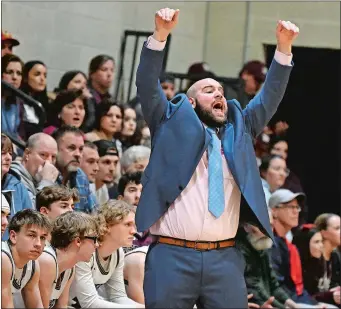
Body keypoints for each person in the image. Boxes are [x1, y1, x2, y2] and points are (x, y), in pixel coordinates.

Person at [135, 7, 299, 308]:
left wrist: (284, 49)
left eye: (221, 91)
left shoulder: (241, 128)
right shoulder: (167, 121)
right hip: (172, 255)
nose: (219, 95)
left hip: (224, 258)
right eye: (209, 90)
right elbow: (147, 83)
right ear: (193, 101)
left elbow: (270, 96)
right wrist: (160, 36)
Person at [68, 200, 143, 308]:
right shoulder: (85, 250)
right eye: (127, 225)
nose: (133, 231)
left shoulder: (118, 252)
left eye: (134, 226)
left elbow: (118, 297)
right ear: (107, 225)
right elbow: (89, 303)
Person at [38, 211, 99, 308]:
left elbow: (62, 306)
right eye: (94, 239)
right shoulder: (47, 260)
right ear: (78, 241)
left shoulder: (70, 268)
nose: (97, 245)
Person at [1, 209, 51, 308]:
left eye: (42, 238)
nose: (38, 244)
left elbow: (36, 305)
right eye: (31, 235)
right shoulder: (3, 258)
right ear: (13, 236)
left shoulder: (33, 264)